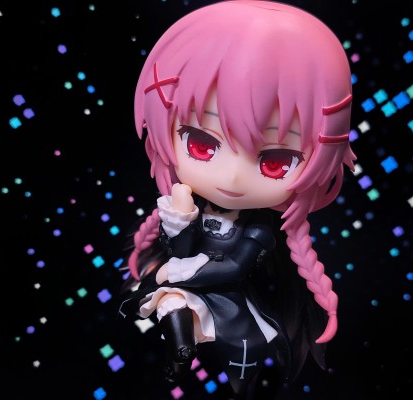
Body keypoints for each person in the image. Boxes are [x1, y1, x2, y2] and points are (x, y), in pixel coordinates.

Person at [119, 1, 356, 397]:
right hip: (194, 292)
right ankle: (181, 352)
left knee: (240, 371)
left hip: (230, 304)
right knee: (170, 303)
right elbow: (183, 248)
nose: (231, 177)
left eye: (276, 162)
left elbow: (232, 268)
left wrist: (175, 272)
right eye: (202, 144)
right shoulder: (195, 208)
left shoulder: (259, 230)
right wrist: (180, 224)